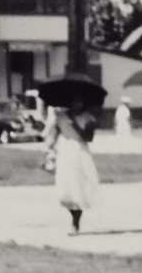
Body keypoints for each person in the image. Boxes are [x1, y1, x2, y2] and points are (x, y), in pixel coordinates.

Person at [44, 98, 102, 234]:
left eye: (79, 101)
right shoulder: (61, 116)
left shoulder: (87, 118)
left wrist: (74, 123)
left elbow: (89, 137)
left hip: (79, 151)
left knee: (78, 187)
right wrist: (49, 148)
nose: (76, 103)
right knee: (66, 188)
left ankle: (76, 221)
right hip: (65, 151)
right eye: (74, 101)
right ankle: (72, 214)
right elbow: (56, 133)